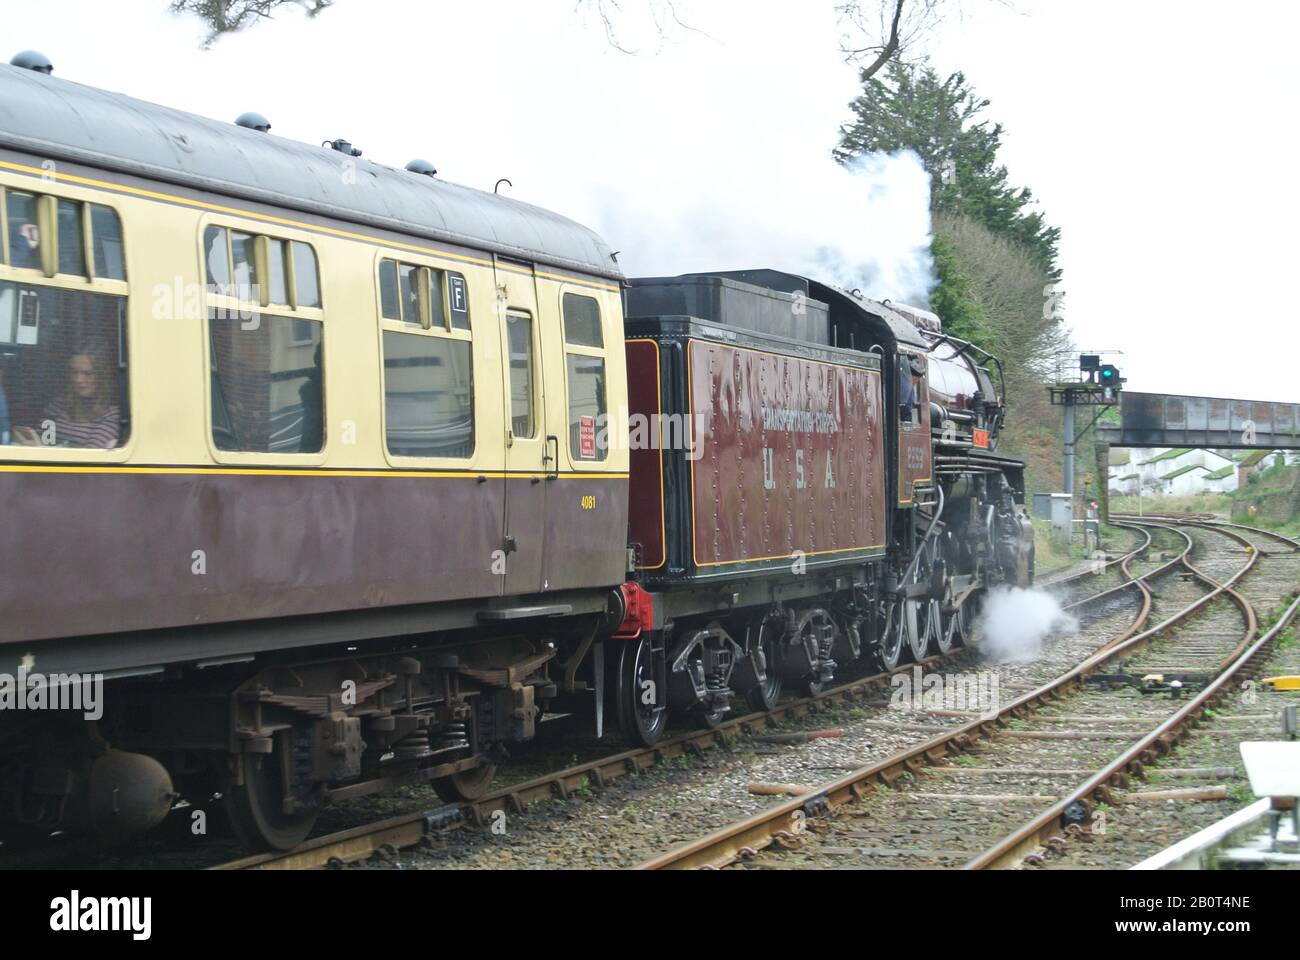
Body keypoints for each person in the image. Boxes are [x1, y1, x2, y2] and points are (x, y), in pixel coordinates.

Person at [13, 349, 120, 448]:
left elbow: (91, 459)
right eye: (74, 372)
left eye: (87, 373)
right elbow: (45, 438)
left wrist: (41, 451)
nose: (78, 380)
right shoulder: (58, 405)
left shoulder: (111, 415)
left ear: (101, 377)